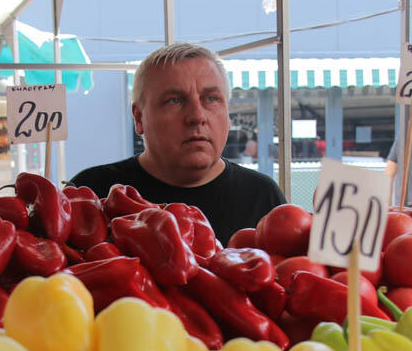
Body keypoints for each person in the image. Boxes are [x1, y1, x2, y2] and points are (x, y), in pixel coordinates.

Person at [69, 43, 286, 244]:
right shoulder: (90, 193)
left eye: (211, 98)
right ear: (138, 118)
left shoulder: (262, 196)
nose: (197, 116)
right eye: (175, 100)